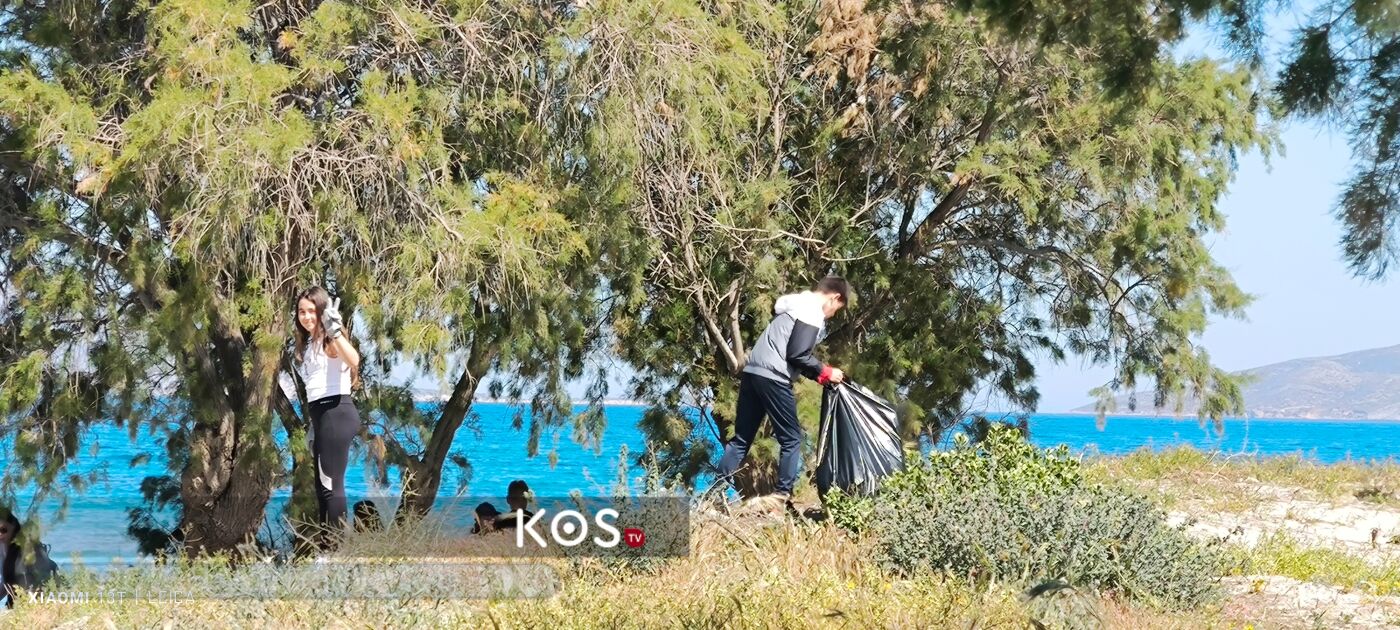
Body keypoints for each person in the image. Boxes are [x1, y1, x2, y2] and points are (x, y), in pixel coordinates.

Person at [715, 276, 852, 503]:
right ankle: (781, 497)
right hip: (774, 378)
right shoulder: (812, 311)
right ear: (834, 297)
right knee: (791, 439)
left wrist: (818, 376)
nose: (832, 314)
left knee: (741, 440)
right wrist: (826, 370)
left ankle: (714, 496)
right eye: (836, 309)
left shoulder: (794, 306)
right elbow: (797, 354)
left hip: (753, 374)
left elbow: (790, 352)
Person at [294, 286, 362, 550]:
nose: (306, 317)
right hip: (323, 417)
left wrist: (335, 332)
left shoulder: (329, 341)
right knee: (323, 487)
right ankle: (327, 546)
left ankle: (335, 550)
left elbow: (353, 359)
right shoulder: (309, 344)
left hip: (336, 413)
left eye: (312, 311)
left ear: (322, 311)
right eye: (302, 312)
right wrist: (314, 425)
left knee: (331, 485)